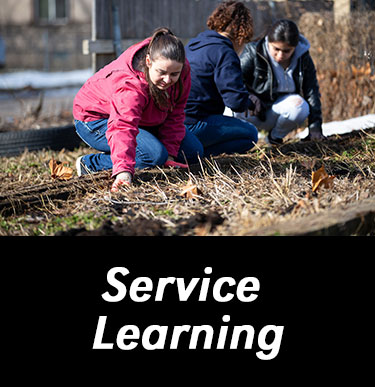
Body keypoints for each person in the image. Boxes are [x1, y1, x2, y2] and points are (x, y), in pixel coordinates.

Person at [73, 27, 203, 192]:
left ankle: (158, 151)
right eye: (161, 72)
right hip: (96, 118)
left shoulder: (182, 71)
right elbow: (123, 126)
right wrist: (123, 171)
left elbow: (175, 114)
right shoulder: (131, 85)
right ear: (148, 62)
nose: (167, 80)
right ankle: (91, 163)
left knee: (193, 152)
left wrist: (170, 152)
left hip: (140, 118)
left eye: (174, 74)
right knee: (152, 156)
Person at [184, 0, 259, 158]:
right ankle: (197, 153)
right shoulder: (225, 52)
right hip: (194, 122)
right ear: (241, 35)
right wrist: (250, 101)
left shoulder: (195, 43)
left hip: (174, 122)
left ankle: (192, 149)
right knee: (251, 135)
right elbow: (235, 102)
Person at [237, 19, 325, 145]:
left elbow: (311, 91)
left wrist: (315, 126)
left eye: (286, 51)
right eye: (276, 49)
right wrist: (249, 96)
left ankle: (275, 138)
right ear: (269, 41)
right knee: (232, 106)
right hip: (252, 111)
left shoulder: (303, 57)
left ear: (295, 47)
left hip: (278, 112)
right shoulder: (253, 51)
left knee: (300, 107)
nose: (280, 55)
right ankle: (241, 142)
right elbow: (234, 81)